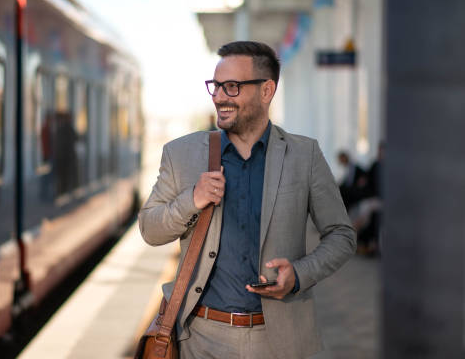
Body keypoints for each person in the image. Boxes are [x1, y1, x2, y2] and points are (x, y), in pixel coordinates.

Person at [139, 41, 356, 359]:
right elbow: (149, 228)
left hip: (278, 341)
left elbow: (342, 235)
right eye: (215, 86)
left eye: (231, 87)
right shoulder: (181, 153)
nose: (219, 97)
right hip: (198, 339)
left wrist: (299, 274)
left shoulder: (304, 155)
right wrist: (192, 199)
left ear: (266, 90)